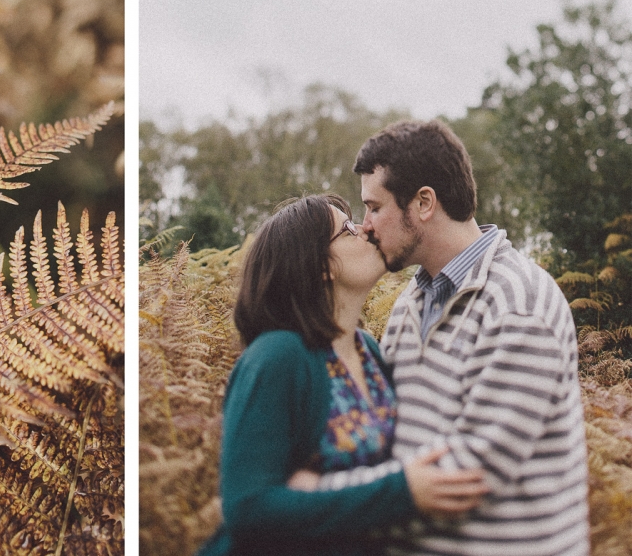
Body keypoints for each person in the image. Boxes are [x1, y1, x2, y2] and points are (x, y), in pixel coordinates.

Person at [303, 120, 589, 555]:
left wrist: (312, 497)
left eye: (374, 207)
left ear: (423, 203)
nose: (365, 226)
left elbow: (470, 475)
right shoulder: (410, 302)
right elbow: (390, 440)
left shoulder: (519, 304)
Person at [197, 194, 488, 556]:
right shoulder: (277, 357)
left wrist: (321, 488)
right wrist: (400, 493)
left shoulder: (369, 352)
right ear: (321, 265)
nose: (366, 228)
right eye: (348, 229)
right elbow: (247, 509)